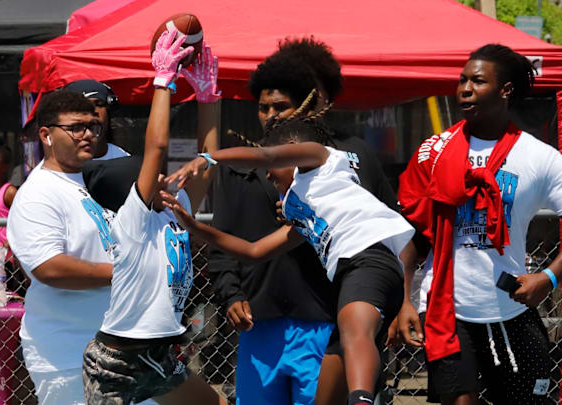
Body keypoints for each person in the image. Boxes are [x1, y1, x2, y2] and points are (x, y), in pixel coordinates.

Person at [164, 116, 415, 405]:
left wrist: (208, 159)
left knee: (353, 331)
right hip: (369, 275)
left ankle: (362, 400)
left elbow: (264, 155)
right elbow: (254, 251)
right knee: (332, 377)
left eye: (272, 168)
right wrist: (195, 227)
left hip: (366, 261)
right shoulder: (302, 206)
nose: (268, 175)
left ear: (294, 151)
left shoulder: (323, 158)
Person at [209, 36, 397, 405]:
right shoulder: (239, 164)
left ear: (312, 104)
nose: (270, 115)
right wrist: (230, 293)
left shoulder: (349, 157)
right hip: (259, 323)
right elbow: (223, 238)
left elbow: (382, 234)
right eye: (263, 108)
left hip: (328, 321)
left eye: (281, 105)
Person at [395, 44, 562, 405]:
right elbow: (414, 234)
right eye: (462, 80)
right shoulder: (434, 151)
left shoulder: (540, 158)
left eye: (478, 81)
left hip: (511, 306)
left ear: (505, 91)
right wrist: (405, 300)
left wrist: (548, 278)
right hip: (446, 309)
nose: (465, 88)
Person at [81, 30, 226, 405]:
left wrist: (208, 96)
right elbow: (156, 146)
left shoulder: (173, 213)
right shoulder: (134, 220)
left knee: (212, 403)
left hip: (156, 352)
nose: (161, 176)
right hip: (118, 359)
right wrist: (163, 80)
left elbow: (209, 161)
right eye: (149, 176)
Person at [7, 88, 132, 404]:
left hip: (125, 346)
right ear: (46, 135)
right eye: (76, 128)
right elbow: (50, 268)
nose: (88, 134)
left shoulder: (103, 177)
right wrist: (128, 272)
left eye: (93, 126)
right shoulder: (38, 193)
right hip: (67, 356)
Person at [64, 80, 131, 160]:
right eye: (82, 105)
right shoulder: (55, 163)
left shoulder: (124, 161)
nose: (92, 111)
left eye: (99, 104)